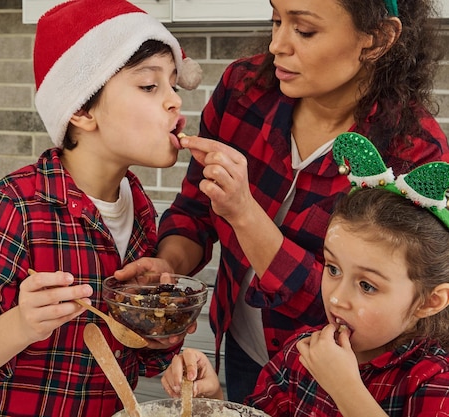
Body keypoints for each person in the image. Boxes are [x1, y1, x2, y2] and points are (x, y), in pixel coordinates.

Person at [114, 0, 449, 402]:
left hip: (336, 375)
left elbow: (363, 296)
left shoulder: (411, 151)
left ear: (378, 39)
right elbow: (196, 209)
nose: (277, 45)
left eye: (304, 30)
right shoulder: (243, 91)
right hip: (243, 346)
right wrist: (170, 264)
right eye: (276, 20)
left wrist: (245, 212)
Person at [0, 0, 203, 416]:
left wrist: (165, 342)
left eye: (173, 85)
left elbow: (138, 355)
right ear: (80, 109)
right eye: (150, 86)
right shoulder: (14, 205)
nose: (174, 102)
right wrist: (22, 323)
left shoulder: (142, 212)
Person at [160, 132, 449, 416]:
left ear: (430, 302)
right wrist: (214, 401)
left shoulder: (434, 383)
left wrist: (345, 388)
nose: (336, 299)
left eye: (367, 286)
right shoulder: (299, 355)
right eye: (333, 269)